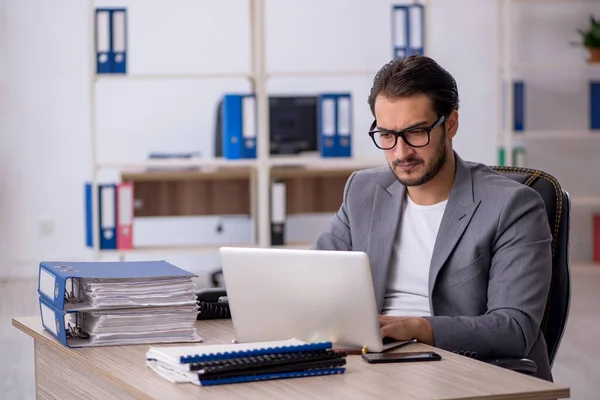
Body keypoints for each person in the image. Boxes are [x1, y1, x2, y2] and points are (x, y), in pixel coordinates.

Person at [311, 55, 553, 381]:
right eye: (387, 135)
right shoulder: (363, 191)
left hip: (466, 371)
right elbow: (313, 281)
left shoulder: (513, 205)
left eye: (416, 132)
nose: (400, 153)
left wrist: (416, 327)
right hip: (369, 364)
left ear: (450, 123)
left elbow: (515, 327)